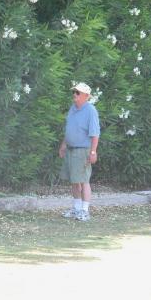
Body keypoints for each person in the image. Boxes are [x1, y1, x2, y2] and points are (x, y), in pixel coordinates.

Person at [59, 82, 100, 221]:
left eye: (78, 93)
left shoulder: (90, 110)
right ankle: (76, 209)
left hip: (83, 151)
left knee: (84, 181)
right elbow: (69, 129)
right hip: (70, 149)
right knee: (74, 181)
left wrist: (93, 152)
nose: (74, 95)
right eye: (74, 92)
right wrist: (63, 145)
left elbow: (95, 134)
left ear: (86, 96)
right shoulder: (73, 108)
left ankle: (85, 211)